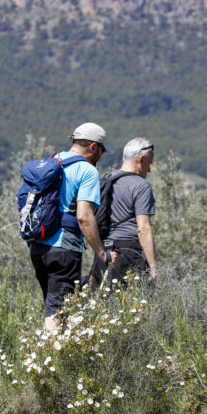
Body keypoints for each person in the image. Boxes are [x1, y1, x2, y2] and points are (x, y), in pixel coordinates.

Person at [29, 122, 115, 333]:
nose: (101, 156)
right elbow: (84, 217)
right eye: (102, 150)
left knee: (52, 306)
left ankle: (46, 356)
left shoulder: (51, 161)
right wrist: (102, 252)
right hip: (64, 248)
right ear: (94, 147)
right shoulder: (87, 171)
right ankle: (50, 362)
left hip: (38, 246)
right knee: (57, 311)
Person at [90, 137, 158, 288]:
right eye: (149, 163)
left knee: (101, 304)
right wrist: (153, 267)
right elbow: (143, 228)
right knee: (130, 306)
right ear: (141, 159)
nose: (149, 169)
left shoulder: (106, 180)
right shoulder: (141, 186)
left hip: (104, 253)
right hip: (128, 254)